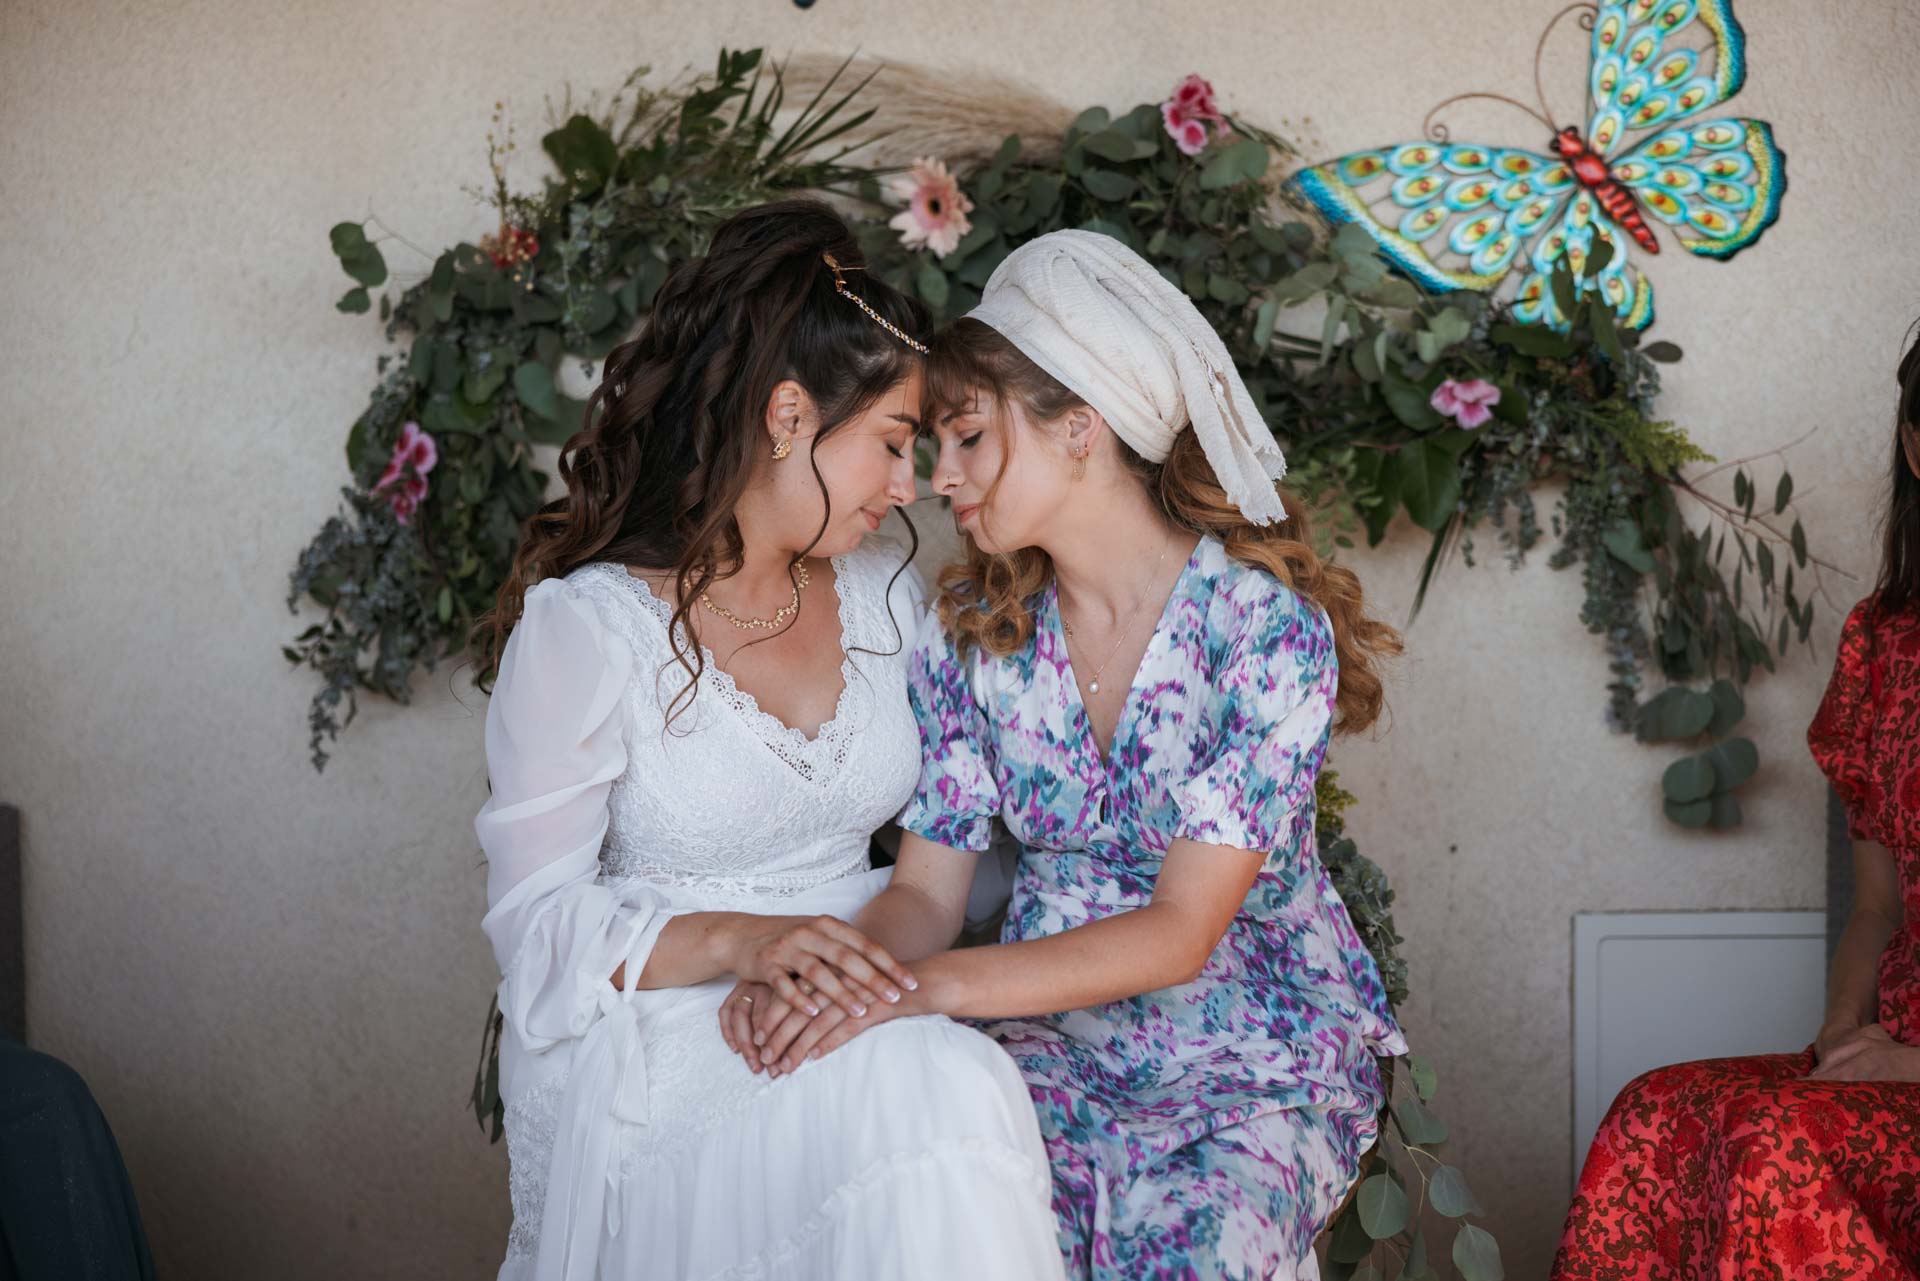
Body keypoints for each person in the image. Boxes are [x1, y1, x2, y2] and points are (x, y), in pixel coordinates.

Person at [723, 229, 1409, 1280]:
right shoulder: (972, 639)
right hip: (1048, 1046)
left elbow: (1181, 933)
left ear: (1081, 426)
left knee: (1194, 1254)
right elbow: (927, 893)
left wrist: (923, 990)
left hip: (1250, 1062)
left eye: (968, 438)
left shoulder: (1263, 631)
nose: (938, 478)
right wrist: (840, 980)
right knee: (944, 1220)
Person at [474, 198, 1065, 1281]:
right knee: (934, 1088)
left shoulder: (887, 596)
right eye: (892, 444)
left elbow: (945, 855)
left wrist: (841, 977)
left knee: (948, 1084)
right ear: (789, 414)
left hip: (866, 979)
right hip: (666, 1033)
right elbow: (537, 930)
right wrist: (743, 944)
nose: (909, 488)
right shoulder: (586, 630)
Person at [1550, 329, 1920, 1277]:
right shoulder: (1882, 643)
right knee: (1650, 1114)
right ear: (1918, 448)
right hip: (1888, 1052)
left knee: (1776, 1149)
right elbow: (1879, 908)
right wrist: (1842, 1035)